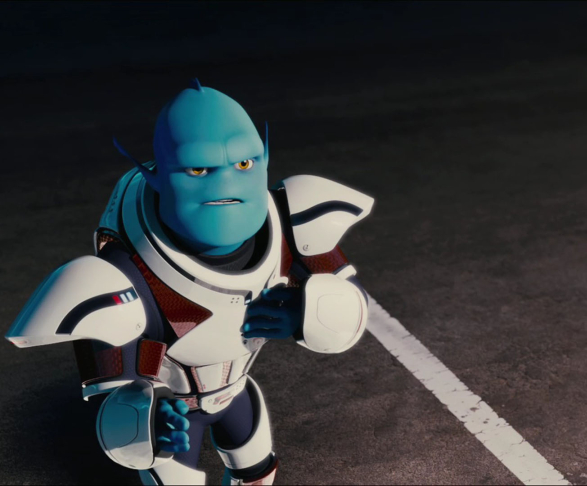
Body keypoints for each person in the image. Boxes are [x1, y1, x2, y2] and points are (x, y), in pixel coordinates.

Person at [6, 80, 373, 485]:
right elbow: (115, 396)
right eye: (199, 169)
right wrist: (147, 417)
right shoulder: (124, 274)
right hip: (175, 411)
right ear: (155, 176)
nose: (227, 185)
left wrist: (307, 312)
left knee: (257, 475)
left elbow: (349, 305)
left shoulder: (294, 222)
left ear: (265, 158)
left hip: (237, 391)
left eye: (244, 164)